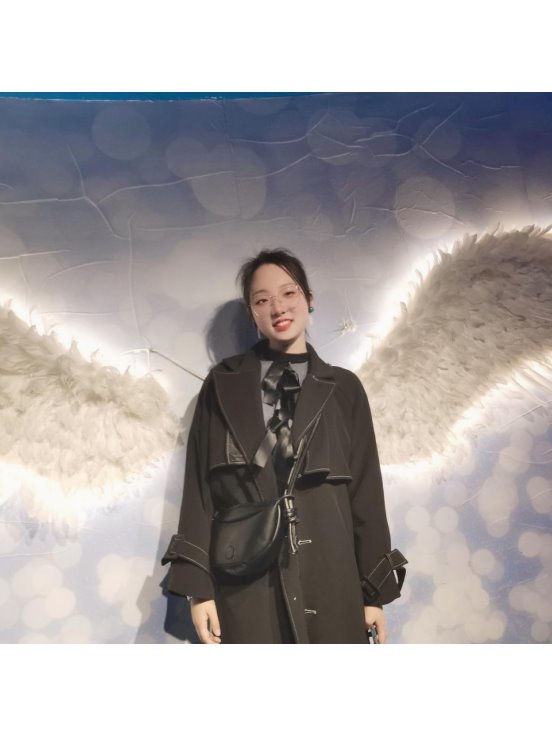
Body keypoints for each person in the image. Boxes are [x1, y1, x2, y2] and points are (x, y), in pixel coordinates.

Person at [162, 248, 403, 643]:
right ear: (251, 313)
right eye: (262, 300)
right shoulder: (222, 386)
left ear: (308, 298)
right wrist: (198, 588)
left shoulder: (344, 389)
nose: (277, 307)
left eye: (289, 293)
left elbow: (366, 494)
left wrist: (373, 593)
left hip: (333, 577)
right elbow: (200, 492)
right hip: (247, 580)